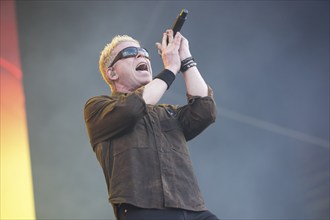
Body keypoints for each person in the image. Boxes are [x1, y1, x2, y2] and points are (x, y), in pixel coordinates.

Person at [84, 29, 219, 220]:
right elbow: (132, 109)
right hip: (144, 209)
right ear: (112, 72)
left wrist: (185, 59)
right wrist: (171, 69)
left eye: (144, 52)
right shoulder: (98, 107)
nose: (141, 55)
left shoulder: (167, 112)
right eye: (130, 53)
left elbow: (205, 111)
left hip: (192, 208)